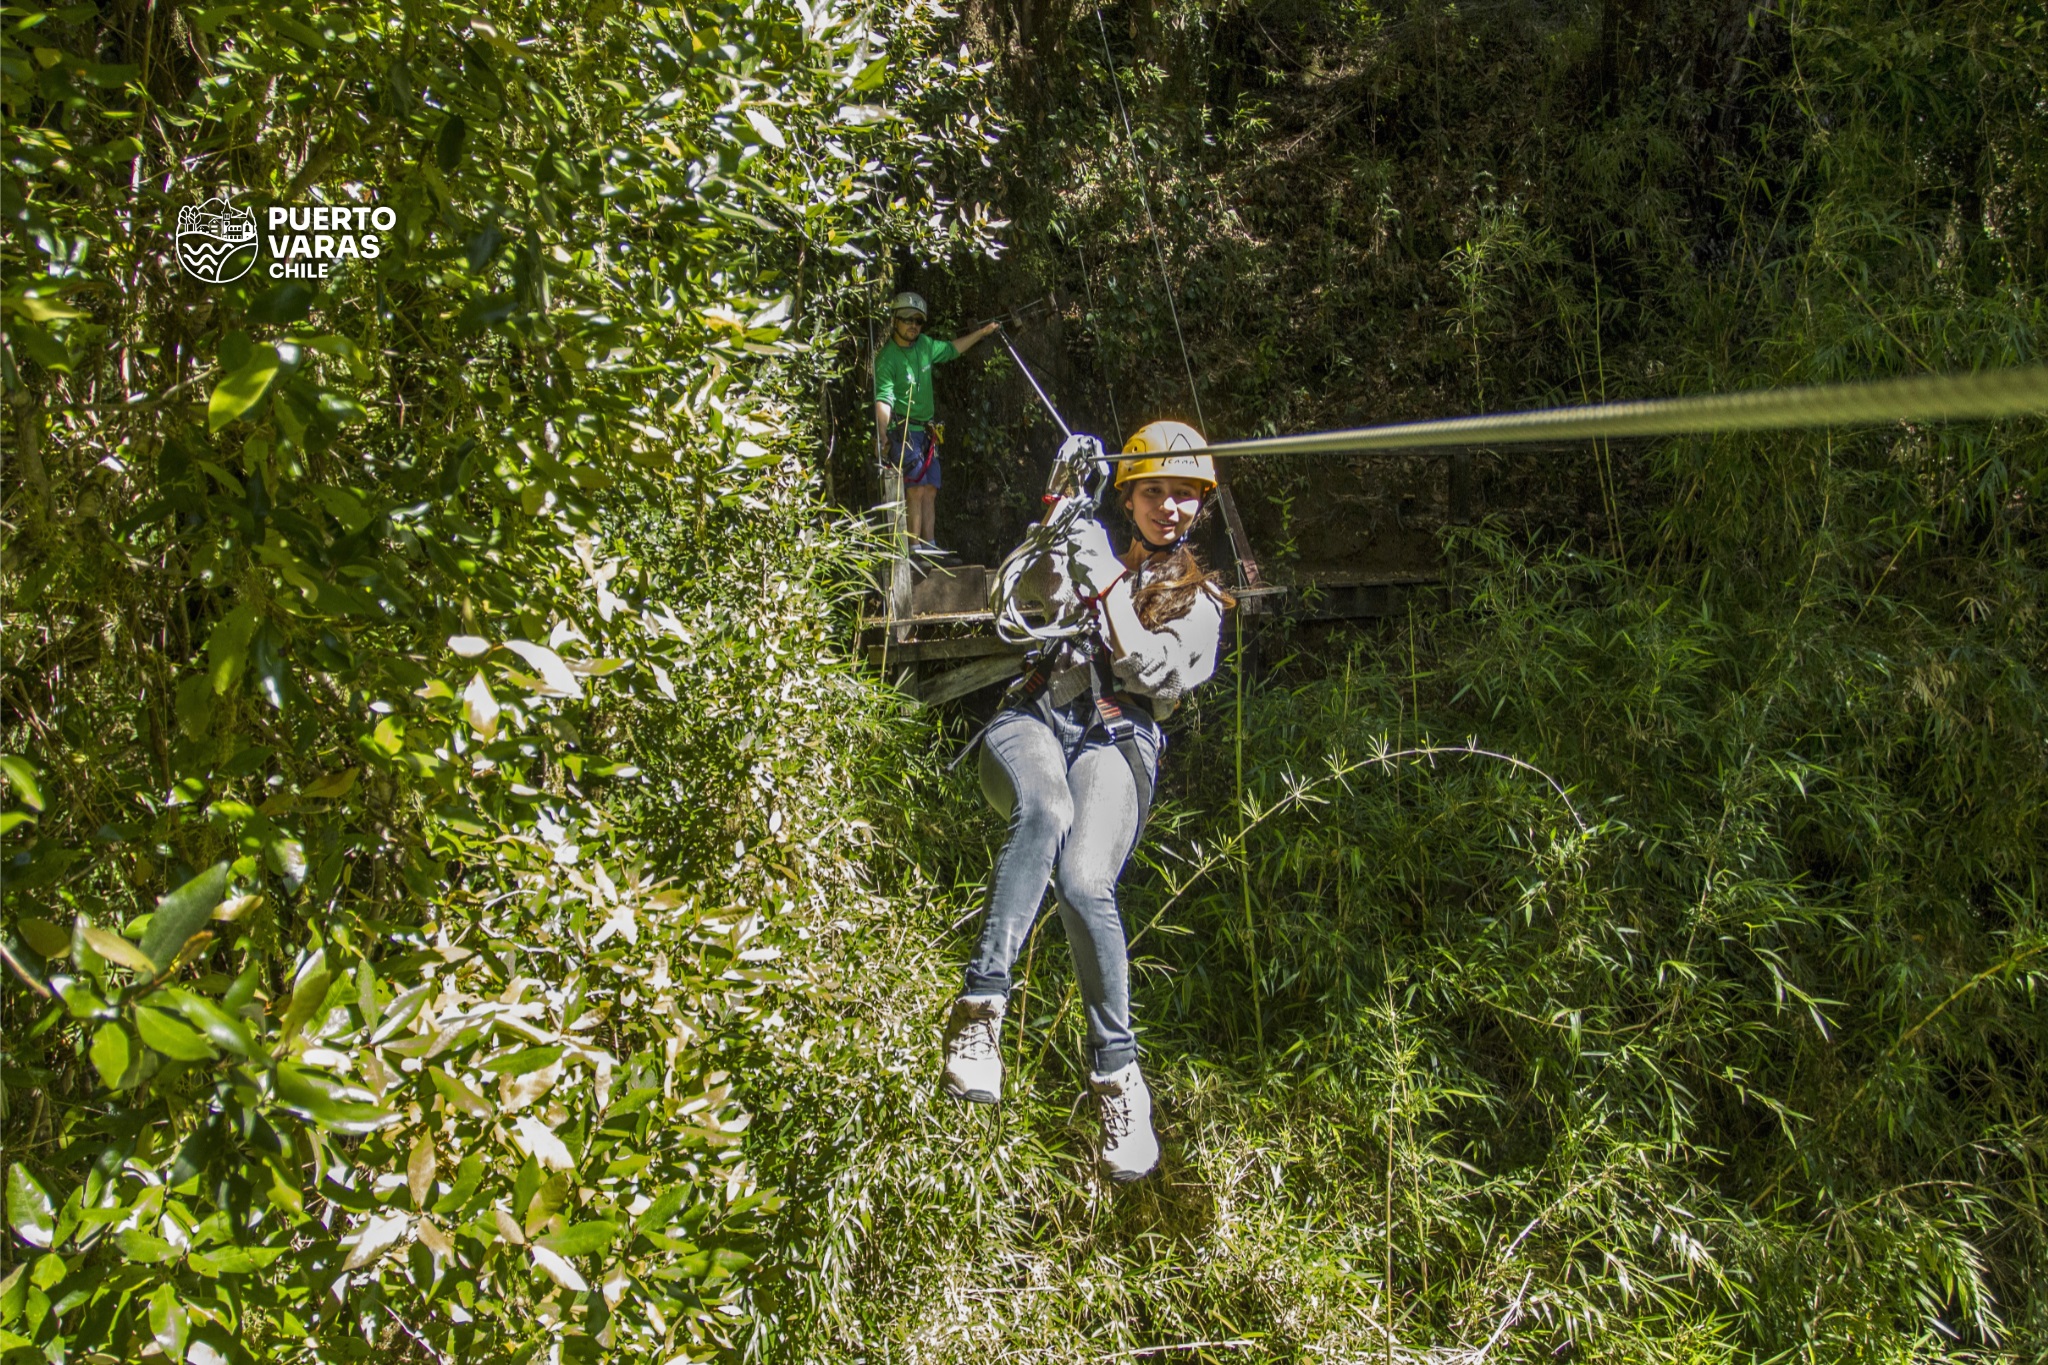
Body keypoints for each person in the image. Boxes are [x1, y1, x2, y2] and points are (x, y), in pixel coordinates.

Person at [940, 420, 1236, 1182]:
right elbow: (1016, 595)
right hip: (1036, 719)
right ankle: (979, 1013)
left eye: (1183, 494)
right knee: (1044, 809)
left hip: (1117, 738)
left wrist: (1104, 581)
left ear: (1199, 506)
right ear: (1128, 497)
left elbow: (1149, 670)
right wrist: (1057, 521)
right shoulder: (1088, 552)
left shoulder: (1202, 604)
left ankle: (1117, 1078)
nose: (1168, 506)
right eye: (1153, 490)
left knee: (1082, 879)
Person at [872, 290, 1000, 557]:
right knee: (915, 489)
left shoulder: (925, 345)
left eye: (918, 321)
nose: (913, 325)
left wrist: (982, 333)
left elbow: (952, 349)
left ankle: (930, 547)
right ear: (895, 320)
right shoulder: (887, 358)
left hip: (927, 432)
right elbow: (884, 398)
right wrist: (882, 433)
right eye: (908, 319)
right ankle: (914, 549)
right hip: (904, 432)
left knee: (930, 489)